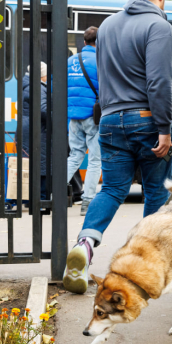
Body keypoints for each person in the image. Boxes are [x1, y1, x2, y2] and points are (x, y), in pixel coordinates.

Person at [63, 0, 172, 294]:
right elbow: (158, 82)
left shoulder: (108, 26)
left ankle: (84, 245)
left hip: (110, 121)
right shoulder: (159, 26)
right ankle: (146, 261)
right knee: (155, 189)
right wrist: (164, 130)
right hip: (145, 119)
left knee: (111, 189)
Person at [66, 26, 101, 216]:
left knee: (75, 155)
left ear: (84, 41)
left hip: (73, 116)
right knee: (95, 160)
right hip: (93, 117)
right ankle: (87, 202)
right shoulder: (100, 61)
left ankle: (55, 191)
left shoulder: (71, 60)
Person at [21, 61, 48, 200]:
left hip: (31, 128)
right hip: (37, 130)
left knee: (32, 163)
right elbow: (43, 109)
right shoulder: (35, 87)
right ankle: (40, 199)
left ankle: (33, 198)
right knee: (40, 163)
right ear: (41, 75)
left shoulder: (29, 85)